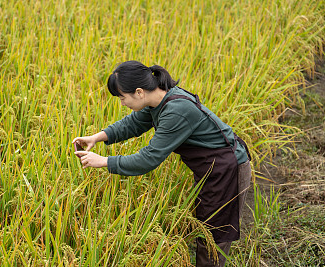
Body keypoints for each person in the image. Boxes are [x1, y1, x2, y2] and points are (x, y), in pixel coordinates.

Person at [72, 60, 252, 266]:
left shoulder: (176, 110)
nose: (122, 104)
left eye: (122, 98)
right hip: (211, 168)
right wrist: (98, 137)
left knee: (214, 235)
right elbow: (133, 123)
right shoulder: (159, 99)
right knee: (204, 224)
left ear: (139, 92)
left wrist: (104, 161)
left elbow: (149, 158)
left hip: (227, 169)